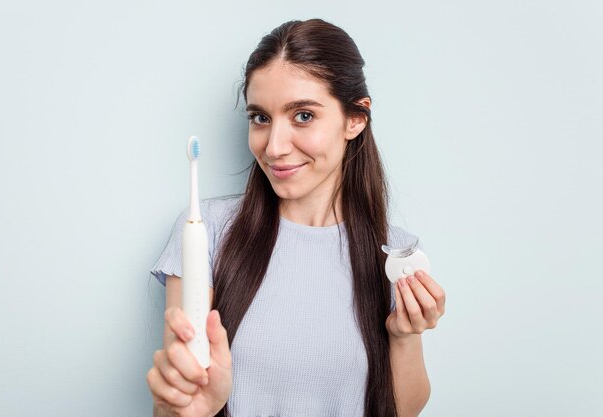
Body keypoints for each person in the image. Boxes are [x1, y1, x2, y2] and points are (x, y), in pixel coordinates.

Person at [146, 18, 446, 417]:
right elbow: (176, 401)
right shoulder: (208, 231)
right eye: (261, 118)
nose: (274, 147)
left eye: (303, 115)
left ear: (355, 118)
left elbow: (402, 411)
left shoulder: (395, 255)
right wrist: (183, 408)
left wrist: (404, 336)